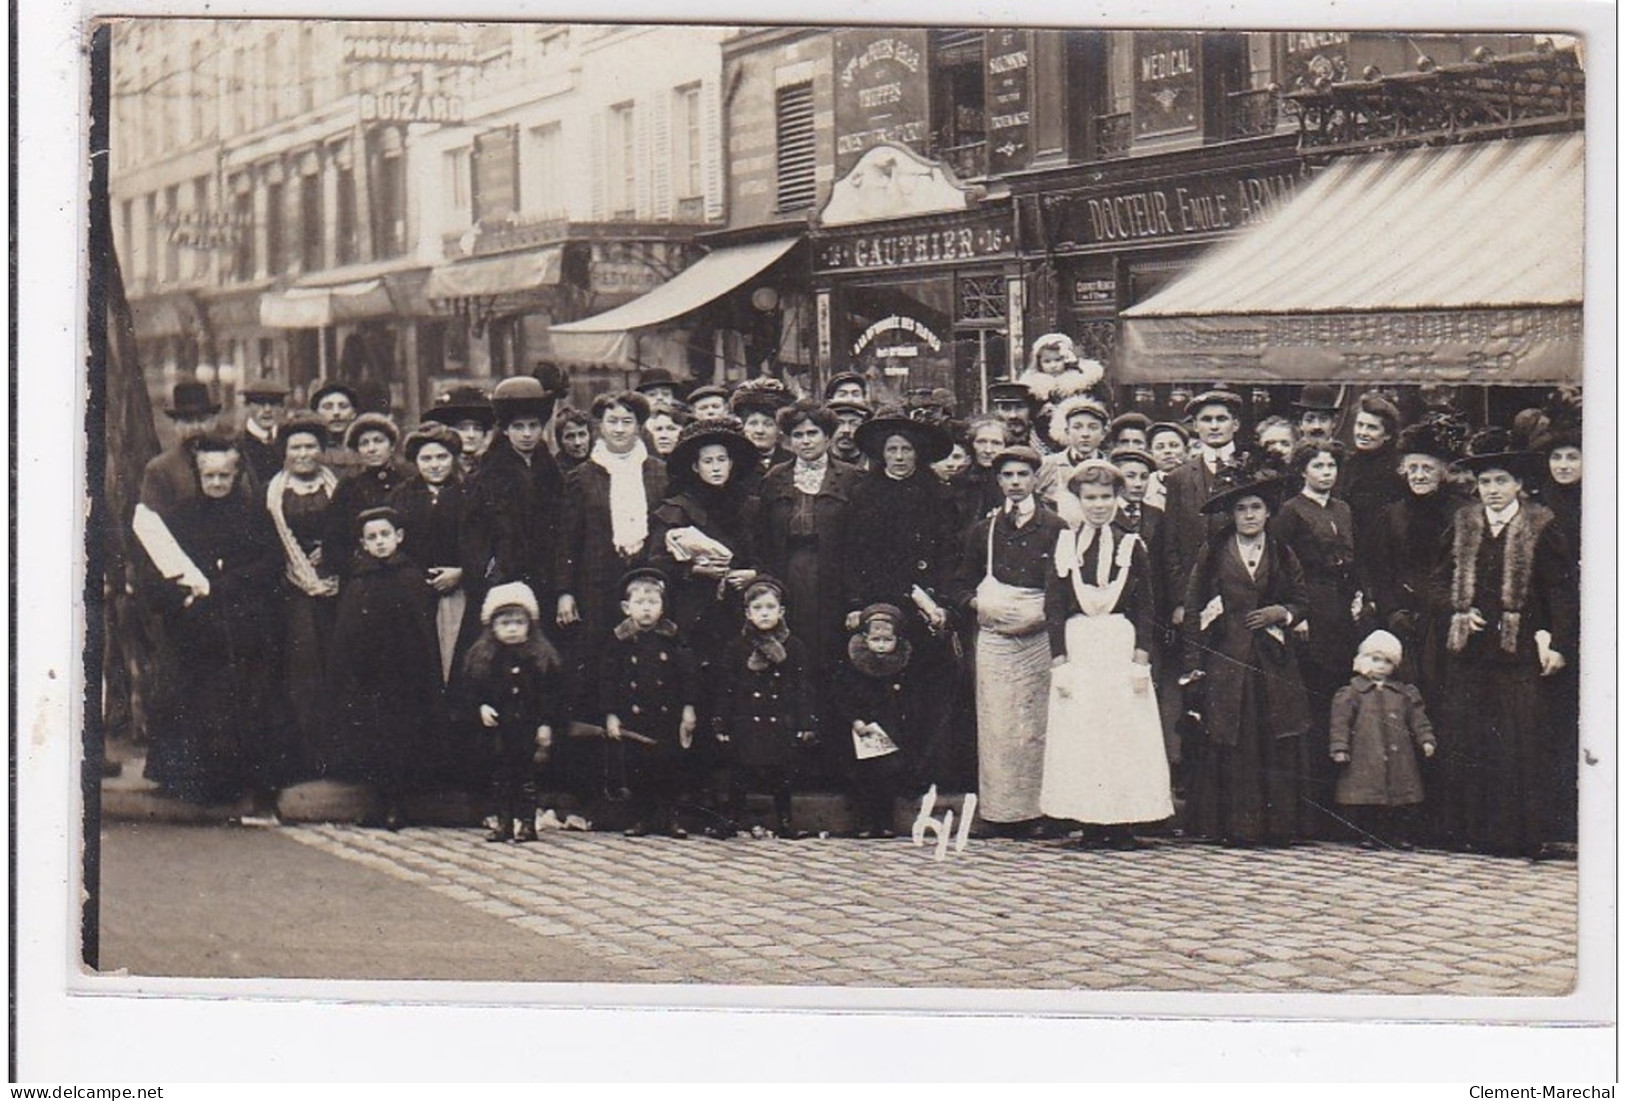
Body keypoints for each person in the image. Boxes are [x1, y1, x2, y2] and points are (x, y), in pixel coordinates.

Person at [1435, 429, 1576, 860]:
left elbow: (1561, 592)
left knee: (1517, 739)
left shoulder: (1541, 526)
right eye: (1485, 483)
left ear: (1518, 485)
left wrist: (1557, 643)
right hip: (1473, 651)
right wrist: (1458, 610)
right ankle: (1470, 831)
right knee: (1472, 735)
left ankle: (1516, 835)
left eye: (1501, 482)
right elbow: (1438, 581)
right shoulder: (1463, 524)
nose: (1493, 491)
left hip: (1519, 652)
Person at [138, 435, 287, 815]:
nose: (217, 483)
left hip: (243, 626)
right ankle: (200, 786)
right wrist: (180, 597)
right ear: (198, 475)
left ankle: (244, 785)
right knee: (196, 703)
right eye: (210, 476)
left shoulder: (255, 514)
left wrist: (226, 584)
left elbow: (270, 564)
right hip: (196, 628)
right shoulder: (180, 515)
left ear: (237, 474)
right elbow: (155, 571)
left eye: (224, 475)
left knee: (245, 703)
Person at [1041, 461, 1172, 849]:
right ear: (1078, 501)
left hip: (1117, 641)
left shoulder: (1132, 544)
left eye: (1105, 498)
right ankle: (1089, 820)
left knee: (1122, 732)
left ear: (1117, 499)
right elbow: (1054, 605)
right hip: (1081, 642)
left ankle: (1123, 821)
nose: (1098, 506)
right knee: (1084, 732)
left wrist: (1141, 657)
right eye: (1090, 498)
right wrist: (1059, 659)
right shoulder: (1066, 543)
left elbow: (1147, 606)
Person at [1180, 463, 1312, 847]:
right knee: (1232, 737)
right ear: (1232, 514)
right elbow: (1193, 605)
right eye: (1241, 509)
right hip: (1227, 658)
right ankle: (1233, 827)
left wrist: (1281, 613)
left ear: (1268, 511)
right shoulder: (1214, 551)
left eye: (1256, 507)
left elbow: (1301, 601)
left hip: (1272, 659)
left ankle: (1277, 827)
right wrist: (1194, 664)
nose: (1250, 515)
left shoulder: (1282, 552)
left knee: (1274, 735)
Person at [948, 446, 1065, 839]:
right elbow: (961, 583)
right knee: (997, 721)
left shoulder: (1055, 526)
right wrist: (979, 605)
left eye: (1022, 475)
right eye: (1007, 476)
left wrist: (1042, 614)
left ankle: (1039, 811)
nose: (1015, 482)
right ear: (998, 482)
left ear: (1035, 479)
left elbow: (1065, 584)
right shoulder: (985, 529)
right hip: (995, 634)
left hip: (1038, 634)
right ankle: (999, 811)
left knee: (1035, 722)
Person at [841, 412, 960, 789]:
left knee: (921, 689)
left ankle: (921, 774)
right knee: (875, 692)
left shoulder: (938, 493)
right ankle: (878, 781)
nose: (899, 457)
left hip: (921, 604)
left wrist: (939, 602)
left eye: (906, 449)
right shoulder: (863, 493)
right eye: (891, 449)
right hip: (878, 605)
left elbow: (949, 552)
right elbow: (851, 555)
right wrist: (857, 603)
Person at [326, 506, 441, 830]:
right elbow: (347, 630)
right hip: (368, 677)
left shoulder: (410, 577)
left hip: (403, 676)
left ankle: (397, 805)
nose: (379, 543)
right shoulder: (359, 579)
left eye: (385, 535)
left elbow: (421, 632)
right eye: (372, 538)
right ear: (362, 543)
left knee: (401, 740)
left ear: (399, 537)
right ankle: (376, 802)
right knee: (370, 739)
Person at [1270, 439, 1360, 839]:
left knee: (1339, 697)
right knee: (1314, 699)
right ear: (1303, 471)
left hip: (1341, 611)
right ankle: (1312, 806)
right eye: (1318, 466)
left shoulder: (1342, 508)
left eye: (1331, 466)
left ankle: (1340, 802)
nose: (1327, 473)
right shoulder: (1291, 511)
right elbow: (1281, 564)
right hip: (1311, 612)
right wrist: (1296, 613)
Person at [555, 390, 668, 704]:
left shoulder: (659, 472)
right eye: (612, 421)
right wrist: (565, 591)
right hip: (597, 582)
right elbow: (568, 537)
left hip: (646, 579)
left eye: (627, 422)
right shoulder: (582, 476)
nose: (619, 429)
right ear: (600, 426)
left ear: (638, 426)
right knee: (598, 656)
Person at [754, 400, 861, 714]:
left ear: (828, 436)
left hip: (834, 578)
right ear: (788, 440)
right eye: (798, 434)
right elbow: (762, 536)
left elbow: (859, 543)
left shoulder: (852, 478)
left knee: (831, 655)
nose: (806, 440)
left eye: (813, 433)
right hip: (789, 575)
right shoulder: (775, 478)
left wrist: (856, 600)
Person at [1365, 411, 1472, 703]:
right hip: (1406, 623)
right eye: (1412, 468)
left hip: (1449, 620)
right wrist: (1392, 612)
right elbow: (1381, 572)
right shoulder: (1391, 515)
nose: (1419, 475)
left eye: (1427, 468)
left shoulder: (1463, 513)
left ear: (1443, 472)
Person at [710, 576, 818, 839]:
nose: (765, 613)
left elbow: (803, 688)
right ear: (747, 613)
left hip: (780, 720)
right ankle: (732, 819)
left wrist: (805, 723)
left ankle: (785, 821)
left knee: (782, 775)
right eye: (758, 608)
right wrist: (721, 722)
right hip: (746, 720)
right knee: (740, 775)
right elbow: (727, 688)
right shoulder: (737, 648)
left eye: (770, 607)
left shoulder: (794, 647)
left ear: (781, 611)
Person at [264, 416, 343, 776]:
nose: (303, 454)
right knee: (302, 671)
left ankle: (337, 756)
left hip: (336, 587)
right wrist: (298, 567)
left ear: (322, 451)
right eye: (296, 447)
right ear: (285, 452)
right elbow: (267, 542)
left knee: (337, 667)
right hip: (292, 590)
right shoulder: (273, 495)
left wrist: (331, 552)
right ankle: (306, 758)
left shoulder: (337, 489)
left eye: (310, 446)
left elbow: (349, 529)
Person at [599, 567, 700, 838]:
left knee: (670, 768)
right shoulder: (619, 639)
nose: (646, 609)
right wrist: (610, 714)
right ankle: (639, 818)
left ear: (662, 606)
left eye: (653, 603)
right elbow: (608, 679)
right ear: (626, 607)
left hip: (667, 715)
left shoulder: (673, 637)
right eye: (640, 603)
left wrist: (689, 708)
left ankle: (671, 818)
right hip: (633, 716)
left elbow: (688, 674)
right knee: (636, 769)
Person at [464, 581, 566, 844]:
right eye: (505, 623)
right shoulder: (484, 658)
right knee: (501, 778)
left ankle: (528, 824)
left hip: (527, 728)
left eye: (518, 623)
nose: (511, 629)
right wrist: (481, 707)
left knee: (526, 778)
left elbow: (550, 696)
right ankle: (504, 823)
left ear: (529, 625)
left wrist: (545, 724)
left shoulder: (540, 658)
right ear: (493, 626)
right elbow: (474, 690)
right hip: (500, 729)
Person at [387, 423, 477, 691]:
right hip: (413, 593)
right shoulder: (399, 497)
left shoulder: (471, 492)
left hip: (461, 592)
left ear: (454, 458)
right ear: (415, 461)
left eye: (442, 457)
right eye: (426, 458)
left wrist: (464, 572)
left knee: (457, 660)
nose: (435, 465)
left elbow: (490, 549)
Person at [1329, 629, 1437, 851]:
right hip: (1367, 756)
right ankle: (1369, 834)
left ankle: (1398, 835)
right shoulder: (1352, 693)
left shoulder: (1404, 693)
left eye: (1387, 661)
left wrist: (1426, 739)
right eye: (1375, 659)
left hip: (1399, 758)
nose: (1380, 666)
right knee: (1370, 799)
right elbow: (1340, 722)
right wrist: (1340, 747)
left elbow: (1418, 718)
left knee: (1400, 799)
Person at [461, 375, 565, 596]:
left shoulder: (552, 471)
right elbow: (474, 536)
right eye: (518, 426)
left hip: (547, 578)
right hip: (504, 581)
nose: (527, 434)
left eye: (533, 425)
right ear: (506, 430)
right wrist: (492, 569)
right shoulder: (485, 475)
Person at [1532, 404, 1582, 845]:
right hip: (1552, 620)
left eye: (1572, 457)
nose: (1564, 466)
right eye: (1557, 458)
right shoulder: (1539, 507)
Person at [1161, 390, 1248, 637]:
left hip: (1243, 591)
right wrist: (1181, 601)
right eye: (1206, 420)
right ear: (1196, 426)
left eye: (1221, 419)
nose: (1214, 426)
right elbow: (1171, 544)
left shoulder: (1253, 469)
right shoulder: (1180, 478)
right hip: (1196, 594)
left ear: (1236, 424)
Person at [830, 604, 915, 838]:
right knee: (862, 779)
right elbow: (843, 697)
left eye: (887, 640)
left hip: (889, 731)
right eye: (875, 640)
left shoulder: (900, 667)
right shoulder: (854, 668)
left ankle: (885, 821)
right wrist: (856, 720)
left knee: (888, 778)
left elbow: (907, 700)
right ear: (865, 638)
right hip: (862, 731)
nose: (881, 645)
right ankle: (865, 821)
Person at [327, 412, 407, 577]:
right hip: (361, 573)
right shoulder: (349, 486)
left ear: (392, 446)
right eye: (364, 443)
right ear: (358, 451)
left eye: (378, 441)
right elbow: (334, 539)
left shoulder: (407, 479)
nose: (372, 449)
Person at [1337, 391, 1406, 565]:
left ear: (1388, 435)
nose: (1362, 432)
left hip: (1381, 556)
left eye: (1372, 427)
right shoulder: (1347, 464)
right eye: (1359, 425)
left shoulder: (1396, 470)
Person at [1038, 393, 1113, 527]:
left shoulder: (1112, 467)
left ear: (1103, 434)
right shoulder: (1048, 465)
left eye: (1093, 427)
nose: (1085, 434)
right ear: (1067, 432)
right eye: (1077, 427)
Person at [947, 414, 1008, 534]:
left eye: (996, 443)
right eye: (981, 442)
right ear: (971, 444)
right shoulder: (958, 481)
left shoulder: (1012, 482)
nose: (988, 450)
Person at [731, 379, 795, 493]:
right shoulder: (734, 463)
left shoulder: (792, 461)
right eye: (753, 423)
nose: (759, 431)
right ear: (743, 427)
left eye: (768, 424)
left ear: (779, 429)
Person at [422, 386, 494, 477]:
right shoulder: (433, 469)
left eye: (477, 429)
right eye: (462, 428)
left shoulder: (494, 470)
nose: (471, 435)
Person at [308, 379, 364, 479]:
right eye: (328, 407)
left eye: (343, 406)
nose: (336, 413)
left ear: (354, 413)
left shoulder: (366, 448)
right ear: (316, 413)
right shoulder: (307, 450)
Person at [235, 381, 288, 485]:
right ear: (247, 406)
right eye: (260, 403)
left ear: (282, 407)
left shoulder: (288, 438)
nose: (267, 410)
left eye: (273, 403)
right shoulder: (237, 443)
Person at [1143, 420, 1190, 512]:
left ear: (1186, 451)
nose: (1167, 451)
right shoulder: (1146, 484)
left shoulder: (1197, 479)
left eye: (1174, 445)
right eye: (1160, 447)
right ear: (1150, 453)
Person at [987, 380, 1041, 452]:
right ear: (995, 411)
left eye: (1020, 407)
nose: (1013, 415)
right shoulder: (987, 446)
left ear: (1031, 410)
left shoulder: (1046, 441)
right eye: (1006, 408)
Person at [826, 396, 873, 470]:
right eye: (839, 423)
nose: (846, 430)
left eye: (854, 424)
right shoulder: (820, 463)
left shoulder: (874, 466)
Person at [552, 407, 594, 475]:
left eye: (582, 435)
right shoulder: (552, 472)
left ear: (590, 437)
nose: (577, 443)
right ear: (560, 441)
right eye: (570, 436)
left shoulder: (602, 467)